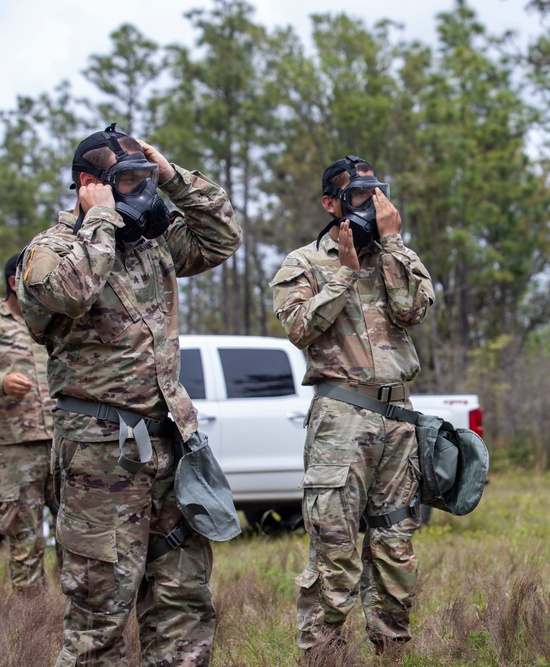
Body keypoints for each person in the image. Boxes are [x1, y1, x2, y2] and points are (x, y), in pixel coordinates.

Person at [17, 124, 241, 666]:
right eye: (129, 180)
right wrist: (98, 220)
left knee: (183, 601)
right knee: (100, 613)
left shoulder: (153, 243)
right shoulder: (49, 251)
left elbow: (221, 237)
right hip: (100, 451)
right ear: (88, 183)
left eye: (146, 178)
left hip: (171, 443)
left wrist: (172, 177)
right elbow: (68, 295)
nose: (142, 190)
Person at [271, 155, 434, 655]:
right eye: (360, 195)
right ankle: (323, 655)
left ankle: (392, 649)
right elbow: (299, 328)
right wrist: (343, 273)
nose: (372, 203)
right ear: (330, 202)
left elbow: (415, 309)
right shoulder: (302, 263)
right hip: (342, 417)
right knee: (334, 549)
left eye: (376, 193)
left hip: (398, 420)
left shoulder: (394, 254)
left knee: (395, 545)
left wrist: (392, 243)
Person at [0, 252, 56, 592]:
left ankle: (76, 618)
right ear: (13, 282)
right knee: (25, 541)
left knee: (79, 538)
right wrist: (2, 382)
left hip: (63, 441)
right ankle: (31, 625)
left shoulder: (53, 322)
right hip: (16, 449)